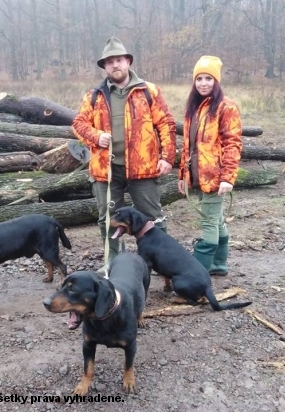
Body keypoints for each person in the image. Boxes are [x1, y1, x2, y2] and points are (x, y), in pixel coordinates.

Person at [72, 36, 176, 272]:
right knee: (108, 219)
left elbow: (166, 124)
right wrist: (96, 136)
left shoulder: (149, 92)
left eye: (119, 60)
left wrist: (167, 157)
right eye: (109, 62)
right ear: (104, 67)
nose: (115, 65)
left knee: (153, 218)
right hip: (106, 171)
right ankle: (114, 263)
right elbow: (78, 124)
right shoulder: (95, 95)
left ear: (128, 61)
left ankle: (162, 264)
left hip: (144, 169)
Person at [177, 55, 243, 276]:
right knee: (216, 219)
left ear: (217, 81)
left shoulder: (226, 107)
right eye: (199, 78)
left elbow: (232, 144)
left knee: (208, 222)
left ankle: (197, 273)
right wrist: (183, 175)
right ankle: (219, 263)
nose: (203, 83)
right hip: (198, 176)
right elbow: (188, 146)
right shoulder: (194, 108)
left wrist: (227, 177)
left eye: (208, 78)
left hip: (215, 177)